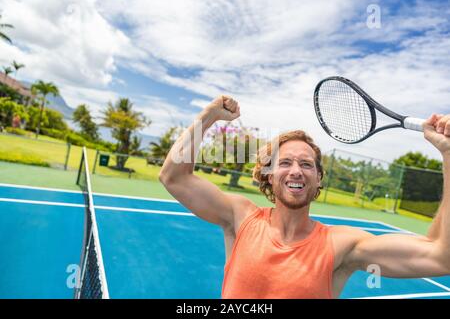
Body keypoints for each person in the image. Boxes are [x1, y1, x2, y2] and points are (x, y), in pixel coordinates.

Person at [159, 95, 450, 298]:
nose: (296, 171)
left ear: (318, 177)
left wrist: (448, 154)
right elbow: (174, 177)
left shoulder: (342, 245)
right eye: (285, 163)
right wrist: (207, 117)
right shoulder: (241, 217)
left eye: (306, 164)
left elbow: (441, 256)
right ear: (269, 175)